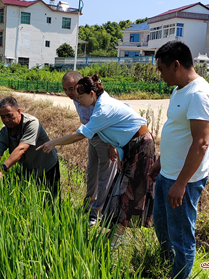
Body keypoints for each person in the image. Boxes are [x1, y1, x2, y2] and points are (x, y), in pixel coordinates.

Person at [38, 74, 156, 248]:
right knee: (122, 190)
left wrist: (54, 142)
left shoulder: (103, 109)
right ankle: (116, 237)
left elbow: (81, 134)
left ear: (92, 93)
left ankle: (118, 239)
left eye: (80, 97)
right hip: (131, 146)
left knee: (130, 192)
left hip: (140, 147)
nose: (79, 101)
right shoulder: (102, 104)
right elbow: (122, 130)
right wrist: (123, 155)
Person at [148, 41, 209, 279]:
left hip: (185, 181)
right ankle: (168, 268)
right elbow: (176, 131)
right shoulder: (179, 89)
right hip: (168, 173)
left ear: (176, 65)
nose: (160, 74)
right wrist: (160, 163)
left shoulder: (199, 94)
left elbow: (200, 143)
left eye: (161, 69)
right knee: (161, 225)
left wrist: (180, 183)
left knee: (181, 237)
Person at [62, 71, 117, 226]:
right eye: (65, 89)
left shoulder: (97, 100)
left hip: (106, 138)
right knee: (91, 174)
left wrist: (112, 146)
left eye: (71, 89)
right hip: (92, 138)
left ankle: (97, 214)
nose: (68, 93)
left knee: (104, 178)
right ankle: (88, 207)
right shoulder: (77, 98)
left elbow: (110, 121)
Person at [0, 96, 60, 200]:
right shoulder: (4, 133)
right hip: (28, 169)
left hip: (47, 167)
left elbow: (21, 148)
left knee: (52, 202)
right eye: (3, 117)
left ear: (19, 111)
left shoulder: (32, 123)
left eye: (9, 116)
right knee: (29, 200)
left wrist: (3, 168)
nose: (6, 120)